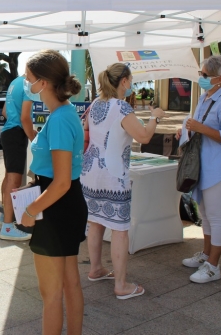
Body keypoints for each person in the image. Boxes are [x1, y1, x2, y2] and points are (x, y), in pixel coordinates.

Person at [80, 63, 165, 300]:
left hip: (90, 173)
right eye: (131, 80)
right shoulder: (122, 108)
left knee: (95, 221)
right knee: (119, 229)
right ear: (124, 81)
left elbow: (88, 132)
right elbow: (144, 136)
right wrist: (154, 117)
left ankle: (96, 268)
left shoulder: (96, 103)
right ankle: (121, 284)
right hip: (113, 176)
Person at [18, 50, 87, 335]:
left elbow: (60, 182)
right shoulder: (65, 113)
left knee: (51, 294)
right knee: (69, 284)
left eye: (29, 78)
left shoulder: (59, 119)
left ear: (43, 83)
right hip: (64, 204)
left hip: (55, 207)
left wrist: (31, 209)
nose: (26, 82)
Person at [176, 55, 221, 283]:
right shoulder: (204, 98)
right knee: (205, 214)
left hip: (218, 168)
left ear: (220, 78)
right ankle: (206, 255)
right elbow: (196, 125)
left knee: (215, 217)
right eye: (201, 74)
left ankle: (214, 266)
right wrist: (186, 130)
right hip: (203, 166)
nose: (201, 78)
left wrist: (200, 128)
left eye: (205, 75)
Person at [0, 75, 36, 241]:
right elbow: (25, 118)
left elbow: (5, 111)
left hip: (7, 132)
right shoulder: (28, 85)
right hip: (16, 133)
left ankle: (4, 216)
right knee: (14, 179)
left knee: (8, 177)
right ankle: (7, 226)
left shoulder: (15, 82)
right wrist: (34, 140)